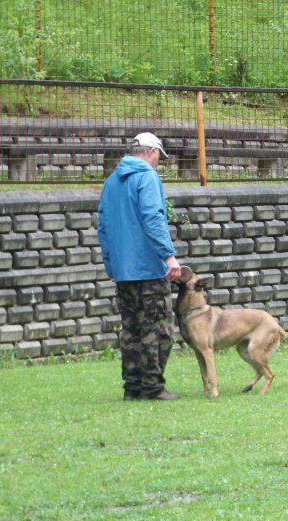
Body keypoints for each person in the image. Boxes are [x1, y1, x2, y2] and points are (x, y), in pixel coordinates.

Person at [97, 132, 182, 401]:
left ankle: (132, 387)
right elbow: (153, 217)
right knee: (158, 328)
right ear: (151, 151)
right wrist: (169, 255)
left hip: (123, 271)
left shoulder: (111, 182)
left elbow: (104, 227)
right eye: (159, 157)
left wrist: (112, 266)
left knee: (131, 329)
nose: (159, 163)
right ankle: (153, 387)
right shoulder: (147, 176)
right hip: (148, 268)